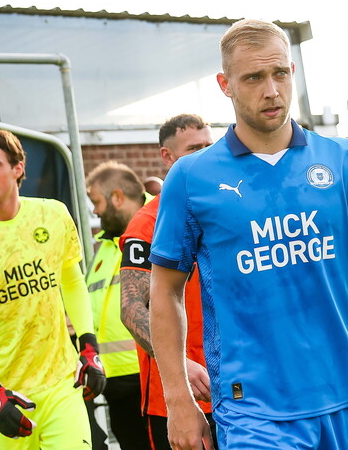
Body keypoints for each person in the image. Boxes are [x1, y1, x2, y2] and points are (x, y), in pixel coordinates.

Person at [149, 19, 348, 450]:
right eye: (253, 77)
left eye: (280, 73)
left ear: (292, 71)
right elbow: (164, 292)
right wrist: (178, 398)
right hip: (253, 412)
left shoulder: (344, 158)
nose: (271, 89)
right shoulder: (191, 178)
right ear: (226, 84)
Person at [0, 128, 106, 449]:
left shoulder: (53, 214)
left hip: (60, 385)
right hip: (1, 395)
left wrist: (89, 345)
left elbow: (71, 281)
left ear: (18, 168)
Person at [120, 114, 215, 449]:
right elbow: (131, 307)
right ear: (168, 157)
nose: (205, 154)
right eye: (194, 149)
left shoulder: (229, 207)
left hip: (240, 390)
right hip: (177, 399)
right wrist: (177, 365)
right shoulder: (148, 222)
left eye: (209, 146)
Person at [84, 161, 151, 449]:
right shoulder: (103, 246)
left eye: (96, 202)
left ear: (118, 197)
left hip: (149, 374)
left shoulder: (159, 226)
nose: (95, 211)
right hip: (115, 381)